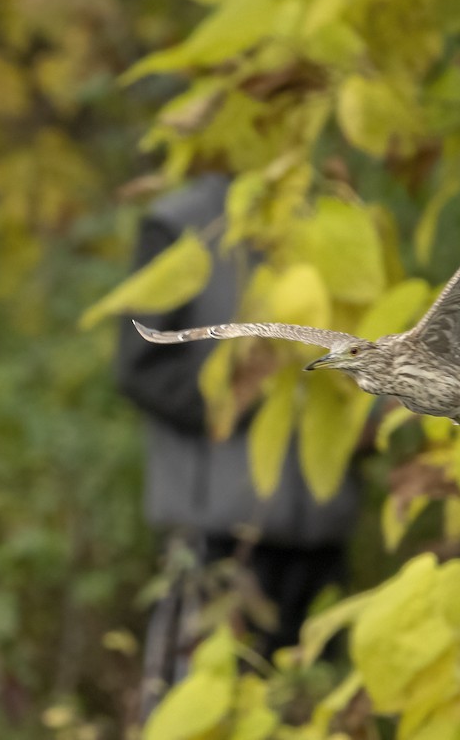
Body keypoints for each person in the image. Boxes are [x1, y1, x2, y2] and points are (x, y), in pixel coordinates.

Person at [115, 174, 361, 710]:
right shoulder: (182, 224)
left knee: (306, 709)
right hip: (218, 534)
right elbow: (141, 367)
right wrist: (247, 397)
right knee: (204, 707)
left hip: (320, 530)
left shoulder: (341, 216)